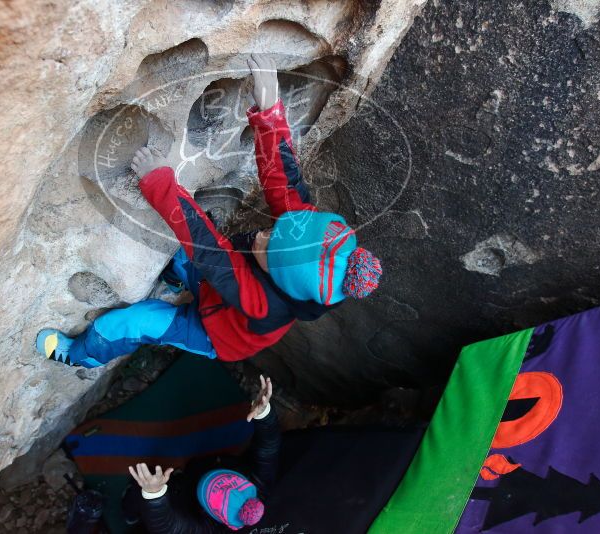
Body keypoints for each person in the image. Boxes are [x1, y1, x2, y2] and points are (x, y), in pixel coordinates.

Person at [35, 54, 382, 367]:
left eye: (269, 245)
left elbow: (209, 249)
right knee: (184, 257)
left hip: (212, 331)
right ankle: (175, 278)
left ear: (281, 278)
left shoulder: (264, 304)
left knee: (132, 323)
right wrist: (270, 113)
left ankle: (82, 354)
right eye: (280, 227)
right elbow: (282, 178)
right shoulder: (301, 229)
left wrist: (160, 182)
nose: (265, 232)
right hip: (218, 284)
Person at [123, 375, 279, 532]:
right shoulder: (260, 484)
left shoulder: (206, 529)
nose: (207, 477)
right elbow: (268, 447)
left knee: (143, 488)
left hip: (182, 498)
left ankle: (131, 514)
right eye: (219, 476)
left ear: (211, 513)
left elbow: (170, 528)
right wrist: (263, 413)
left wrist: (154, 494)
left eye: (206, 488)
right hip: (195, 471)